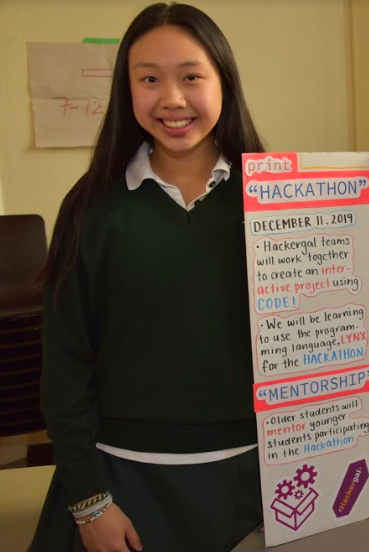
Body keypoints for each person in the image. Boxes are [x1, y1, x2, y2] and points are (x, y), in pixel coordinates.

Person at [29, 4, 265, 551]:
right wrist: (89, 503)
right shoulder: (90, 207)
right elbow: (64, 368)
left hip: (255, 485)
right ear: (126, 89)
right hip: (121, 486)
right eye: (149, 79)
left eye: (191, 76)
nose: (172, 99)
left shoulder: (277, 200)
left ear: (223, 81)